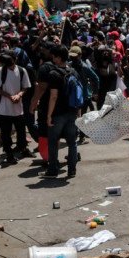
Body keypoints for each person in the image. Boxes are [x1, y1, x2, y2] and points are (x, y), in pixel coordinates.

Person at [41, 45, 81, 179]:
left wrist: (48, 115)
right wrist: (78, 112)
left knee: (53, 141)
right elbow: (78, 94)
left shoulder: (54, 73)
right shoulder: (74, 72)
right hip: (72, 112)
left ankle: (52, 170)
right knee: (72, 142)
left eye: (54, 56)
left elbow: (53, 96)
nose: (52, 58)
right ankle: (72, 170)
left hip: (58, 113)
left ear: (58, 57)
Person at [0, 52, 32, 164]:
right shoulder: (0, 71)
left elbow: (25, 86)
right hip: (4, 108)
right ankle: (9, 153)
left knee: (21, 130)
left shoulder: (22, 70)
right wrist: (10, 97)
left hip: (18, 107)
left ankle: (23, 148)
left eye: (11, 62)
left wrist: (19, 95)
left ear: (15, 59)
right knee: (6, 132)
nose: (10, 65)